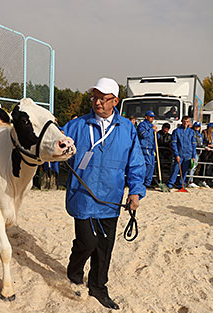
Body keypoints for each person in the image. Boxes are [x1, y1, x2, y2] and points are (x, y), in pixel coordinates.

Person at [63, 78, 145, 310]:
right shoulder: (76, 125)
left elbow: (136, 164)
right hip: (82, 196)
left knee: (104, 247)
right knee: (87, 242)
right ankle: (74, 270)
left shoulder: (127, 128)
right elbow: (55, 145)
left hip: (111, 198)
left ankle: (98, 287)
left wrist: (135, 192)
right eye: (94, 97)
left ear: (115, 101)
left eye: (103, 98)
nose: (97, 102)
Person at [166, 116, 196, 189]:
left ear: (189, 122)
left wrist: (193, 156)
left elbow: (194, 145)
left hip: (188, 154)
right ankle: (170, 184)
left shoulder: (192, 132)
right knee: (175, 170)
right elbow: (174, 144)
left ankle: (181, 184)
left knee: (184, 171)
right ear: (182, 122)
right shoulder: (176, 131)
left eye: (187, 121)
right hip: (179, 154)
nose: (186, 123)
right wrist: (176, 154)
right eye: (184, 121)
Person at [137, 111, 157, 187]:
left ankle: (148, 182)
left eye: (153, 117)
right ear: (146, 117)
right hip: (145, 147)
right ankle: (144, 181)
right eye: (150, 117)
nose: (152, 118)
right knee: (148, 164)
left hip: (152, 147)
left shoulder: (152, 125)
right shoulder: (142, 125)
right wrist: (152, 130)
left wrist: (156, 132)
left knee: (152, 165)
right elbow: (144, 135)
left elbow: (155, 137)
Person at [187, 122, 204, 188]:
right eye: (196, 126)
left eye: (198, 126)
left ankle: (191, 180)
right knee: (192, 166)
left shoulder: (198, 134)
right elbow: (195, 143)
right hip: (194, 152)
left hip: (198, 152)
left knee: (194, 167)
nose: (197, 128)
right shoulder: (193, 133)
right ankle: (190, 181)